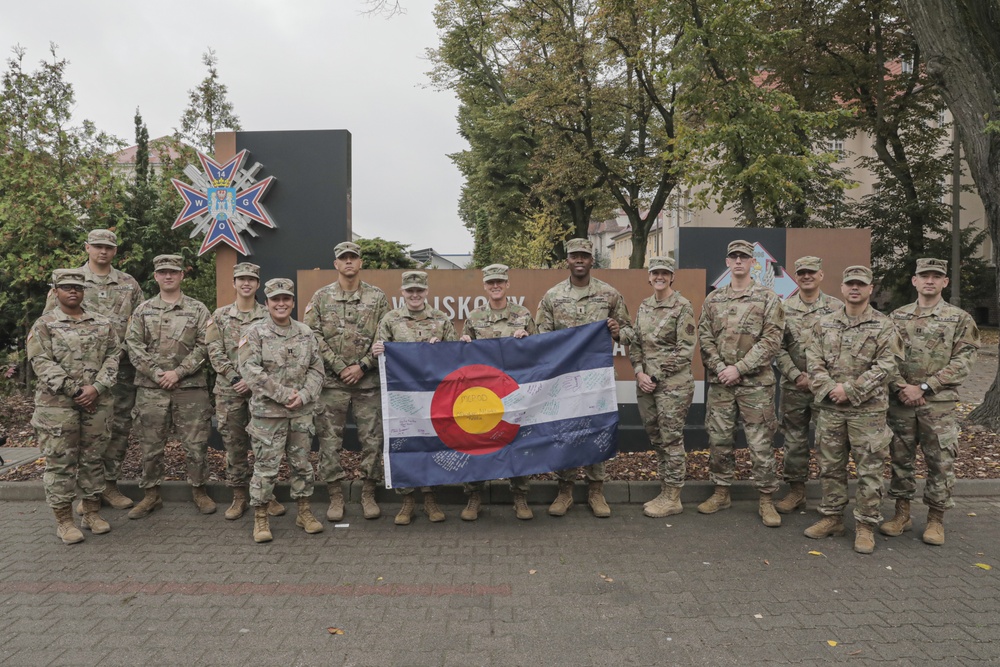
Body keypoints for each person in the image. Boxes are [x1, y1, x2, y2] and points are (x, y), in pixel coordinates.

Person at [882, 258, 980, 545]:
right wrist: (902, 387)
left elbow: (965, 360)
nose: (929, 281)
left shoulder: (959, 318)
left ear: (944, 282)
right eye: (924, 276)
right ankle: (902, 514)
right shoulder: (896, 317)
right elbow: (885, 357)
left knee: (940, 461)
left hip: (938, 404)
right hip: (901, 401)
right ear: (914, 280)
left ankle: (936, 520)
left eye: (936, 277)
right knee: (901, 459)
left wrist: (925, 386)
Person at [804, 265, 901, 554]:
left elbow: (888, 364)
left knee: (869, 470)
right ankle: (832, 518)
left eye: (861, 284)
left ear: (871, 289)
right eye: (850, 284)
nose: (855, 288)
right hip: (831, 408)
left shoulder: (884, 325)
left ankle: (865, 526)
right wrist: (831, 388)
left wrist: (851, 389)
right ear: (843, 289)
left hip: (868, 412)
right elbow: (813, 360)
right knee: (830, 466)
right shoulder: (824, 324)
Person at [46, 229, 143, 512]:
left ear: (115, 251)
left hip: (119, 370)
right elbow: (49, 323)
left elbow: (139, 324)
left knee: (116, 428)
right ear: (87, 247)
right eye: (98, 246)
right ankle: (86, 492)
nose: (103, 251)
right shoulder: (70, 280)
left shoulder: (128, 284)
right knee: (76, 433)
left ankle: (108, 486)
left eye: (109, 247)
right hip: (76, 375)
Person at [536, 238, 633, 518]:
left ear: (592, 260)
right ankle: (564, 490)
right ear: (567, 260)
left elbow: (629, 333)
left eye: (585, 256)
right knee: (565, 431)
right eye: (574, 256)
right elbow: (541, 337)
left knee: (597, 430)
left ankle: (596, 490)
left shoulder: (608, 294)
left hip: (597, 380)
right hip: (564, 379)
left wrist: (617, 331)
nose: (579, 260)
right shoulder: (553, 297)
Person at [696, 240, 785, 526]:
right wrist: (722, 368)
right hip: (722, 383)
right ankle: (722, 492)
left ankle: (766, 499)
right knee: (719, 440)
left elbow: (772, 339)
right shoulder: (713, 300)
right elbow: (705, 337)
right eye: (733, 256)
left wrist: (740, 368)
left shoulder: (768, 298)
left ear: (751, 263)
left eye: (743, 257)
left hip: (755, 385)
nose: (738, 261)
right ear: (727, 262)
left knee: (760, 444)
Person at [29, 269, 120, 543]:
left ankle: (91, 512)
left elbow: (114, 356)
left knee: (93, 460)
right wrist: (75, 390)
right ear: (55, 291)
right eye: (66, 287)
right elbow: (41, 362)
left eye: (77, 288)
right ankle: (64, 521)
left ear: (84, 291)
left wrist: (97, 388)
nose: (73, 292)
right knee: (61, 463)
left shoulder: (103, 324)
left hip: (97, 403)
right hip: (57, 407)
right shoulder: (44, 324)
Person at [304, 241, 390, 522]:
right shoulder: (320, 297)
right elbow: (313, 335)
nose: (349, 262)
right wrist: (341, 367)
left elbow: (383, 336)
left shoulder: (377, 298)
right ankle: (335, 494)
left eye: (354, 257)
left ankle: (367, 491)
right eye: (344, 258)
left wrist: (362, 366)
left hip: (368, 382)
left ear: (360, 263)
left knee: (372, 439)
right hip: (332, 383)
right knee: (329, 441)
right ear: (336, 264)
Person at [125, 254, 214, 519]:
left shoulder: (198, 309)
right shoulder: (143, 310)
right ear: (155, 276)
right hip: (151, 389)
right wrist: (156, 373)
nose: (168, 276)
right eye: (163, 272)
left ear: (182, 275)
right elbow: (133, 346)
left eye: (173, 272)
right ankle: (151, 494)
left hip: (190, 387)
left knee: (196, 444)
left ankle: (199, 490)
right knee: (150, 444)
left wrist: (179, 372)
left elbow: (205, 345)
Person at [239, 278, 326, 543]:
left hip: (301, 412)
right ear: (267, 303)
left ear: (292, 302)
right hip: (268, 415)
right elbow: (250, 371)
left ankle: (304, 512)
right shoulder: (255, 333)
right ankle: (261, 518)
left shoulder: (305, 332)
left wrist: (304, 395)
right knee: (266, 467)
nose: (281, 303)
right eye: (275, 299)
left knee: (302, 465)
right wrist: (284, 394)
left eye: (286, 299)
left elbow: (316, 368)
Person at [372, 270, 457, 525]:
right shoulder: (390, 319)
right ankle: (407, 499)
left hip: (433, 397)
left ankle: (431, 498)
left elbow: (454, 355)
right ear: (402, 292)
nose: (415, 295)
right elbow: (379, 349)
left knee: (432, 442)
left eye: (419, 290)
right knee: (404, 442)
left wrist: (439, 349)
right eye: (410, 291)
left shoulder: (441, 320)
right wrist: (378, 350)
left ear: (427, 292)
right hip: (403, 398)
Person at [458, 263, 538, 520]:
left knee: (517, 441)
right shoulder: (474, 317)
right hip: (483, 394)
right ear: (485, 286)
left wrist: (527, 338)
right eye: (491, 282)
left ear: (507, 285)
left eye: (500, 282)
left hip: (514, 392)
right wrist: (465, 344)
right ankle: (474, 496)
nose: (495, 286)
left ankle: (520, 496)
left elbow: (539, 352)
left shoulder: (523, 314)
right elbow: (461, 359)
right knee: (477, 440)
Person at [206, 262, 284, 520]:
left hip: (261, 392)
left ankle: (266, 495)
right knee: (234, 444)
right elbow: (214, 351)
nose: (246, 283)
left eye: (251, 279)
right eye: (241, 279)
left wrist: (251, 381)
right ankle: (239, 495)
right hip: (229, 390)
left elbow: (275, 355)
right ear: (234, 283)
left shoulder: (269, 316)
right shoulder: (220, 315)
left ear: (258, 284)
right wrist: (235, 376)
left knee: (264, 444)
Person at [773, 256, 843, 513]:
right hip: (794, 387)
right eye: (801, 273)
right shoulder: (784, 307)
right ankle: (796, 492)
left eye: (811, 272)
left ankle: (830, 496)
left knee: (829, 442)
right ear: (796, 276)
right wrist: (795, 376)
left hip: (825, 388)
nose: (806, 276)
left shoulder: (837, 307)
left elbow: (842, 348)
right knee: (794, 441)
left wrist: (818, 379)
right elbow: (777, 347)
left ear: (821, 275)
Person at [629, 257, 695, 518]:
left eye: (664, 273)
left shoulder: (682, 306)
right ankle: (665, 489)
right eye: (655, 273)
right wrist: (638, 372)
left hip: (672, 386)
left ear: (672, 277)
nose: (660, 277)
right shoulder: (645, 306)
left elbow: (685, 349)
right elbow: (635, 343)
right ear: (649, 276)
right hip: (646, 384)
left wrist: (653, 375)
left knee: (672, 439)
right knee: (656, 437)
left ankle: (673, 497)